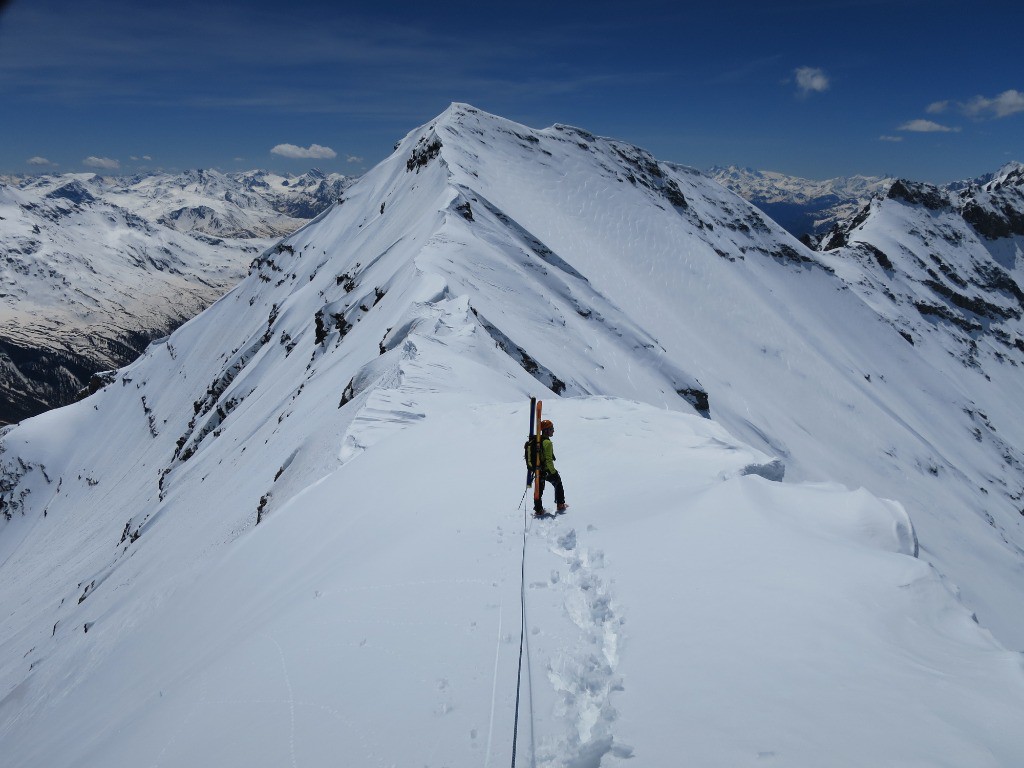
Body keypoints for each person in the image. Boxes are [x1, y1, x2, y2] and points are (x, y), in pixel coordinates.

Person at [534, 419, 568, 516]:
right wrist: (553, 472)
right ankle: (560, 504)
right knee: (558, 483)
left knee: (539, 489)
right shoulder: (547, 443)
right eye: (551, 429)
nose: (553, 430)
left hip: (538, 470)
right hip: (546, 470)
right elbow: (549, 460)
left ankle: (538, 509)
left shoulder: (538, 440)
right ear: (546, 431)